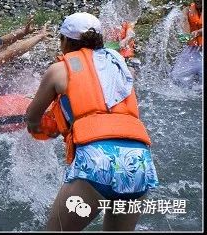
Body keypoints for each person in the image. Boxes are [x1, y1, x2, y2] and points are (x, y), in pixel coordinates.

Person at [25, 12, 158, 231]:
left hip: (97, 163)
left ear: (65, 41)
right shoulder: (121, 65)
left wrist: (45, 127)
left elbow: (32, 117)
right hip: (139, 161)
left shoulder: (59, 70)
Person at [171, 0, 203, 87]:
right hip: (192, 51)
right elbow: (184, 37)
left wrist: (199, 32)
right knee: (176, 76)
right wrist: (177, 27)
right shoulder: (187, 10)